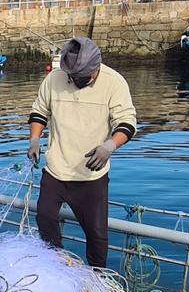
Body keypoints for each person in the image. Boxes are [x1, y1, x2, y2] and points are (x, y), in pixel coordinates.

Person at [27, 37, 137, 269]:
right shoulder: (54, 78)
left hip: (91, 175)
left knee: (97, 235)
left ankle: (98, 277)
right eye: (72, 76)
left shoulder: (114, 83)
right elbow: (39, 111)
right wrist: (35, 139)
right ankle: (56, 266)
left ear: (95, 68)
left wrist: (109, 147)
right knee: (45, 217)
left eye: (81, 76)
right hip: (56, 169)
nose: (75, 80)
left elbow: (127, 122)